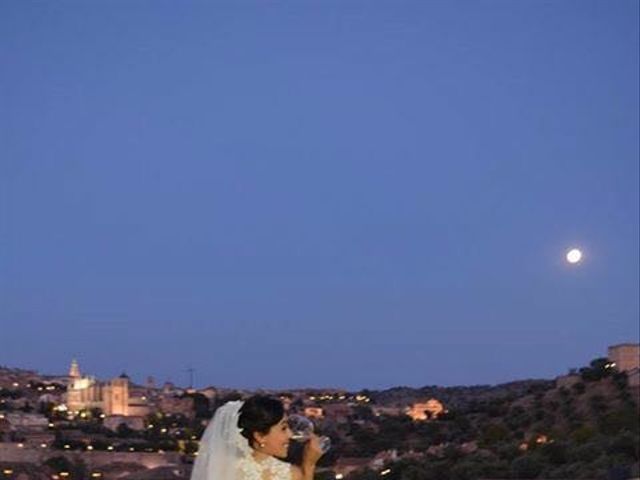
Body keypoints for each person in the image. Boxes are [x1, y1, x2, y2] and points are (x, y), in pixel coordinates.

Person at [190, 395, 324, 480]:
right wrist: (309, 465)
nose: (290, 434)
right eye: (283, 428)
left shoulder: (220, 468)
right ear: (260, 436)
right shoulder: (289, 474)